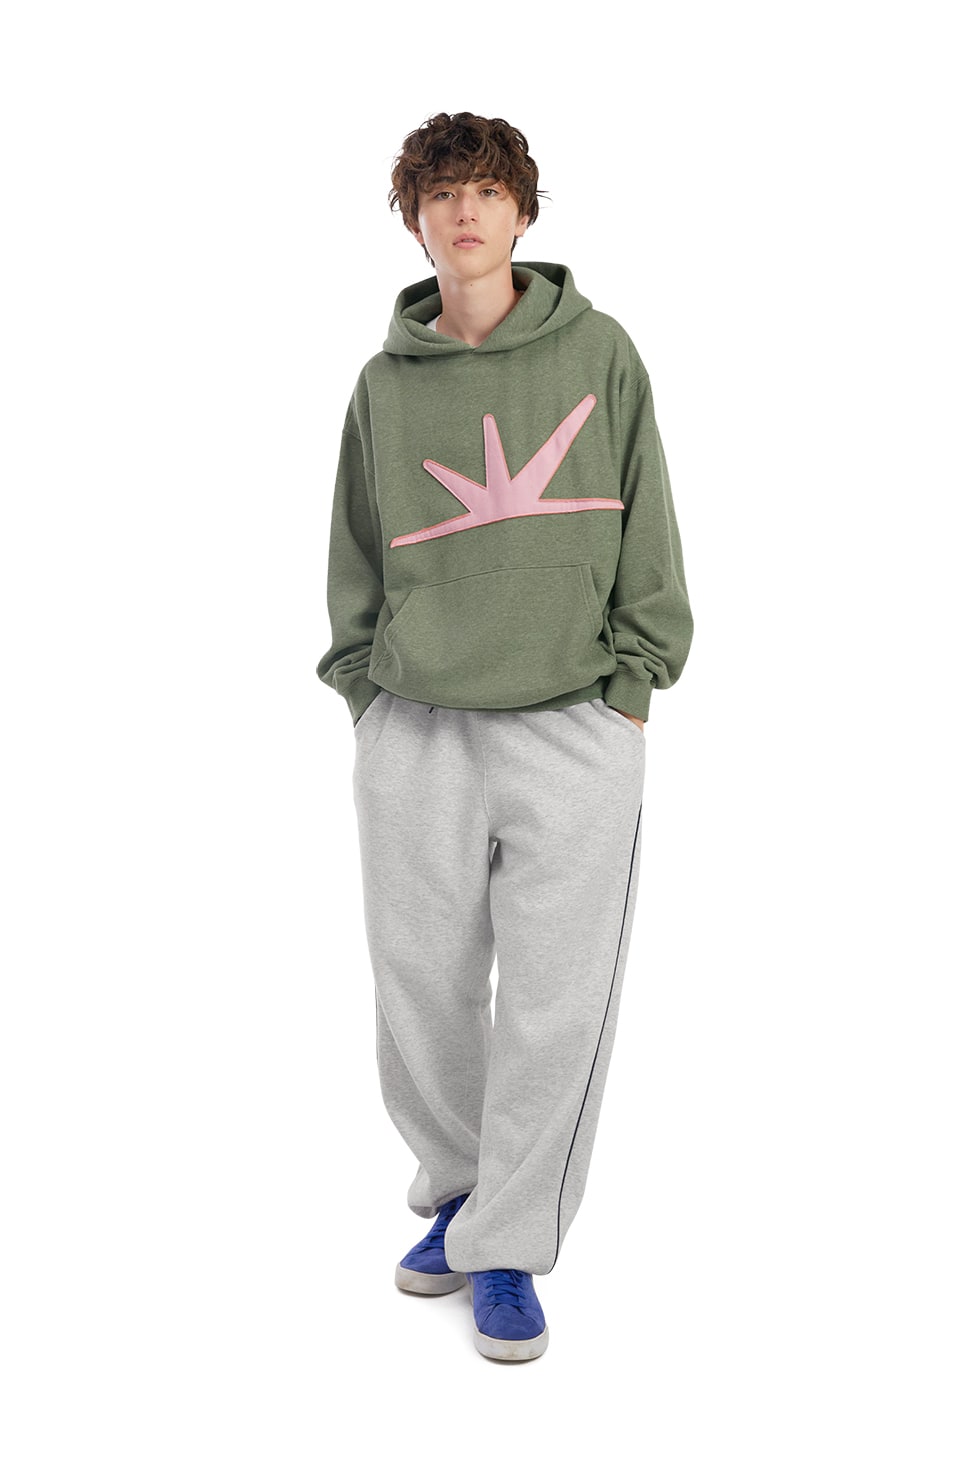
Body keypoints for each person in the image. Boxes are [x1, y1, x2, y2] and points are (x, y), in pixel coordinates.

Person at [316, 111, 694, 1361]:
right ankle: (464, 1195)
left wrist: (631, 684)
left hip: (571, 723)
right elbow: (355, 551)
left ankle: (510, 1245)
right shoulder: (383, 385)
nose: (463, 211)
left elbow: (648, 529)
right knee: (419, 991)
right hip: (417, 725)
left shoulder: (599, 353)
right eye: (440, 194)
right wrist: (365, 689)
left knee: (552, 1005)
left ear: (521, 212)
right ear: (414, 220)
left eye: (485, 190)